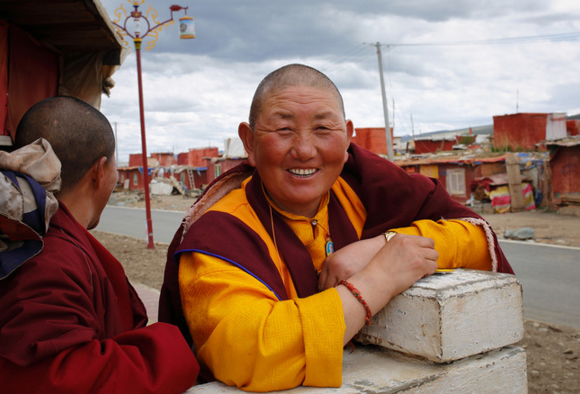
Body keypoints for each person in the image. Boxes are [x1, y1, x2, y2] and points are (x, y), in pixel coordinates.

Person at [159, 64, 513, 392]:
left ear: (346, 139)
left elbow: (477, 240)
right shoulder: (220, 233)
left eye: (323, 129)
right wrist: (377, 281)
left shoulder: (366, 187)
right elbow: (248, 349)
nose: (304, 149)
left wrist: (382, 246)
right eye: (283, 129)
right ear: (249, 142)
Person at [0, 96, 199, 393]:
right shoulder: (49, 260)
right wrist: (175, 350)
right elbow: (55, 376)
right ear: (100, 171)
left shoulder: (39, 237)